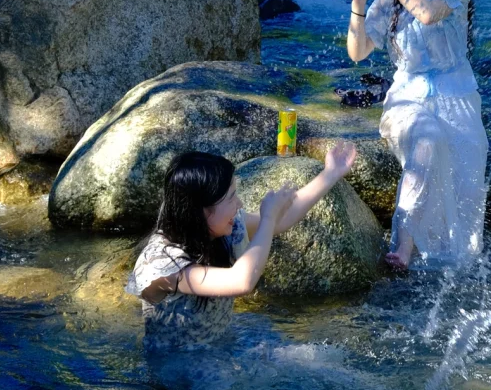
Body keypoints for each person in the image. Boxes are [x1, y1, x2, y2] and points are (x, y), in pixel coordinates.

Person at [339, 0, 488, 272]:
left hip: (459, 98)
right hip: (408, 98)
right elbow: (357, 51)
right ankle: (403, 248)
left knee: (467, 181)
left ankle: (452, 258)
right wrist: (358, 3)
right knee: (427, 139)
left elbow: (426, 13)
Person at [126, 144, 357, 344]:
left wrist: (331, 173)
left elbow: (281, 220)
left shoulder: (223, 227)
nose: (239, 203)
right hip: (174, 378)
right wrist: (268, 217)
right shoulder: (160, 264)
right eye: (230, 198)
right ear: (199, 210)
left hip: (219, 351)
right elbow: (242, 281)